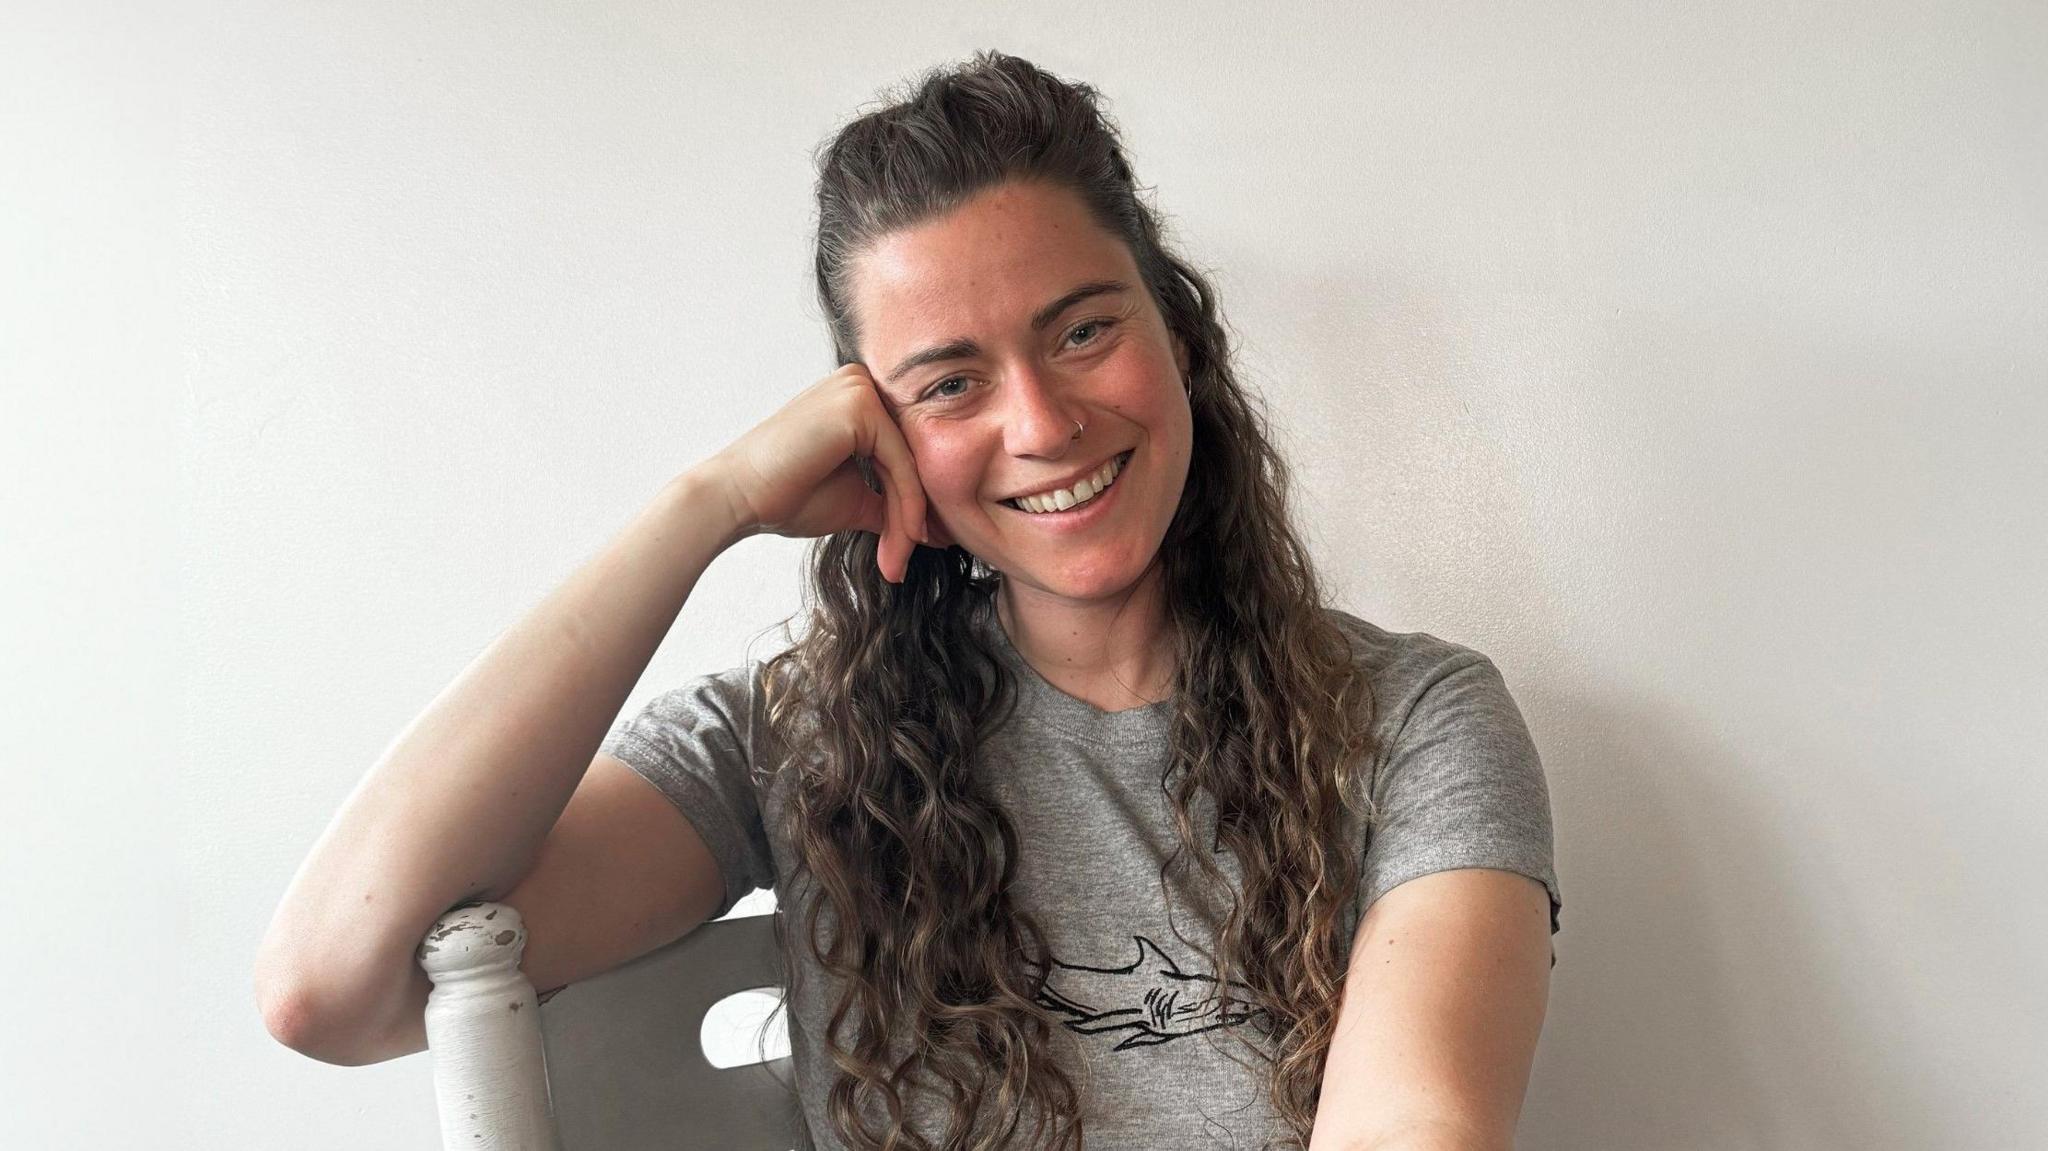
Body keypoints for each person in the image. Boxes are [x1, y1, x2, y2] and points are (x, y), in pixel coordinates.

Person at [256, 50, 1560, 1151]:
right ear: (871, 432)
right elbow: (332, 989)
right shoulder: (795, 742)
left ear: (1180, 334)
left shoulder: (1413, 723)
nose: (1042, 423)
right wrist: (706, 506)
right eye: (948, 383)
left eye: (1084, 330)